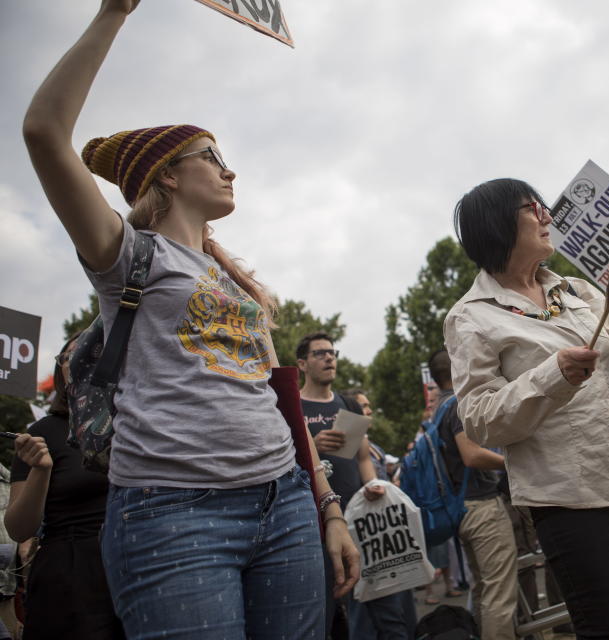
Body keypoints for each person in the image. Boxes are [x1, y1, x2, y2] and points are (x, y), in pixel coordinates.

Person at [21, 2, 358, 636]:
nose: (229, 168)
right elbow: (42, 130)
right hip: (173, 516)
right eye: (210, 155)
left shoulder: (237, 282)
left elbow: (279, 399)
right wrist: (113, 14)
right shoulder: (126, 255)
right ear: (168, 177)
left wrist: (327, 506)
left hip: (284, 504)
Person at [444, 178, 609, 639]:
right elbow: (479, 420)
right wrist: (552, 376)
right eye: (533, 208)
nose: (547, 215)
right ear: (497, 225)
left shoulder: (577, 290)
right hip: (571, 496)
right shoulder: (470, 316)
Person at [297, 333, 415, 639]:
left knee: (386, 611)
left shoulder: (348, 403)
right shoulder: (292, 406)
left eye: (332, 352)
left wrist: (374, 483)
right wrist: (312, 446)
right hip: (315, 525)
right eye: (319, 353)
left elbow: (363, 457)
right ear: (302, 364)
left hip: (361, 523)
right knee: (323, 613)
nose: (329, 358)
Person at [4, 338, 124, 639]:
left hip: (134, 561)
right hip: (71, 576)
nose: (84, 358)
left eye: (95, 349)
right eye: (72, 355)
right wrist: (41, 471)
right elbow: (19, 528)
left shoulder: (134, 424)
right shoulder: (41, 433)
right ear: (62, 369)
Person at [428, 349, 518, 639]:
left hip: (460, 508)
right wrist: (511, 464)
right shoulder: (457, 405)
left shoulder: (438, 408)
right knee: (499, 591)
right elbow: (471, 455)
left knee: (483, 586)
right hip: (482, 507)